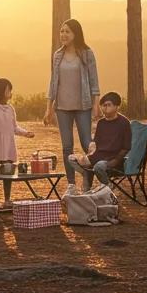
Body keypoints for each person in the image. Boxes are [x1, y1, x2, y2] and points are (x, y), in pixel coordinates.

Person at [44, 19, 99, 193]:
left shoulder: (87, 53)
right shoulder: (57, 55)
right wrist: (49, 107)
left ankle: (88, 176)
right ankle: (71, 184)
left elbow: (94, 81)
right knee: (67, 146)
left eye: (67, 31)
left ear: (76, 34)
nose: (63, 35)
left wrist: (96, 104)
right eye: (62, 31)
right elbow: (53, 82)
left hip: (83, 106)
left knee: (86, 143)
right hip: (62, 107)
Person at [0, 78, 34, 210]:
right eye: (8, 90)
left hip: (8, 148)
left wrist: (25, 133)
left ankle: (7, 200)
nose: (10, 92)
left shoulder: (10, 109)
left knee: (8, 176)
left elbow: (14, 128)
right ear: (1, 92)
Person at [68, 92, 132, 191]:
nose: (105, 108)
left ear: (116, 106)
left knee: (98, 166)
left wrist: (115, 161)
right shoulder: (101, 123)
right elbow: (96, 142)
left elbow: (126, 147)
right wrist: (91, 147)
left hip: (112, 159)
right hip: (97, 156)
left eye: (108, 105)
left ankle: (107, 187)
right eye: (103, 105)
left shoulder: (124, 123)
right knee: (71, 158)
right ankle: (86, 173)